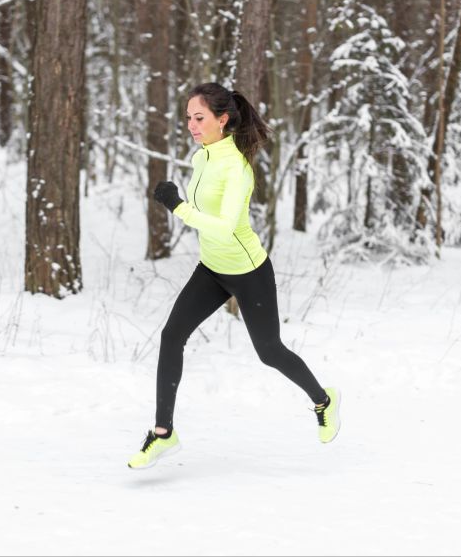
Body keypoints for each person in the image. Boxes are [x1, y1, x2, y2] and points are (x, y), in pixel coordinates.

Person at [127, 82, 341, 470]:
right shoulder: (202, 157)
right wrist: (184, 203)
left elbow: (225, 227)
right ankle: (163, 432)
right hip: (211, 268)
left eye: (199, 118)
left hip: (248, 271)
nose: (191, 125)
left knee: (269, 352)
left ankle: (324, 400)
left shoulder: (236, 168)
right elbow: (207, 213)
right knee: (172, 335)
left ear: (222, 120)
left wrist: (177, 206)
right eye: (189, 117)